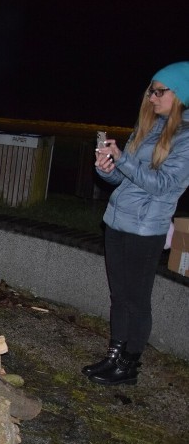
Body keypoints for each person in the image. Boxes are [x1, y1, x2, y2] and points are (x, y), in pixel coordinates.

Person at [82, 61, 189, 386]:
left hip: (146, 228)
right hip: (117, 220)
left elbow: (165, 184)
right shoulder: (147, 127)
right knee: (118, 296)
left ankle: (129, 365)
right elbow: (120, 179)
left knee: (136, 298)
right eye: (150, 91)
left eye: (160, 91)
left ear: (181, 93)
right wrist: (106, 166)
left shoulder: (186, 137)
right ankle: (114, 355)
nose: (152, 97)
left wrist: (124, 160)